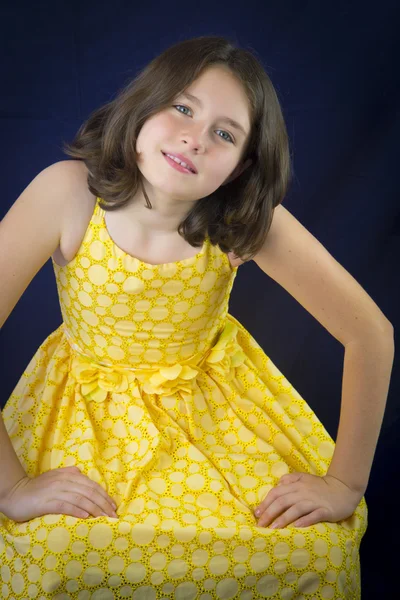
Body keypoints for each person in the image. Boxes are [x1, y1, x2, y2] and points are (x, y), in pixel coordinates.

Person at [0, 35, 394, 599]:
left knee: (315, 548)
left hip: (213, 414)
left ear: (239, 168)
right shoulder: (67, 193)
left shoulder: (245, 218)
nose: (195, 138)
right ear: (144, 104)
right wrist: (11, 486)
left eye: (225, 133)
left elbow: (371, 335)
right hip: (84, 410)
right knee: (54, 549)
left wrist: (345, 483)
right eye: (182, 108)